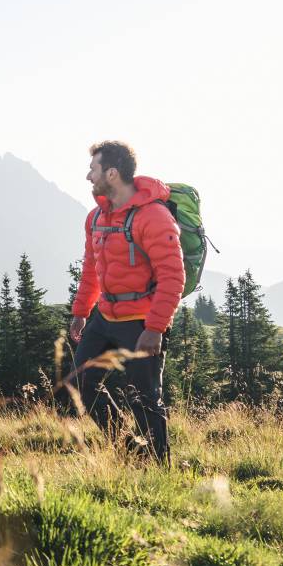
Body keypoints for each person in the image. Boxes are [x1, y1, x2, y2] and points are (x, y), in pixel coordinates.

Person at [69, 140, 184, 463]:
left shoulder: (154, 216)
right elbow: (91, 268)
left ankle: (160, 469)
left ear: (113, 173)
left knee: (145, 399)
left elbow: (173, 277)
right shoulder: (95, 218)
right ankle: (130, 449)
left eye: (94, 169)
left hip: (142, 321)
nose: (89, 176)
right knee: (81, 381)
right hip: (105, 317)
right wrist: (81, 312)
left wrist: (155, 328)